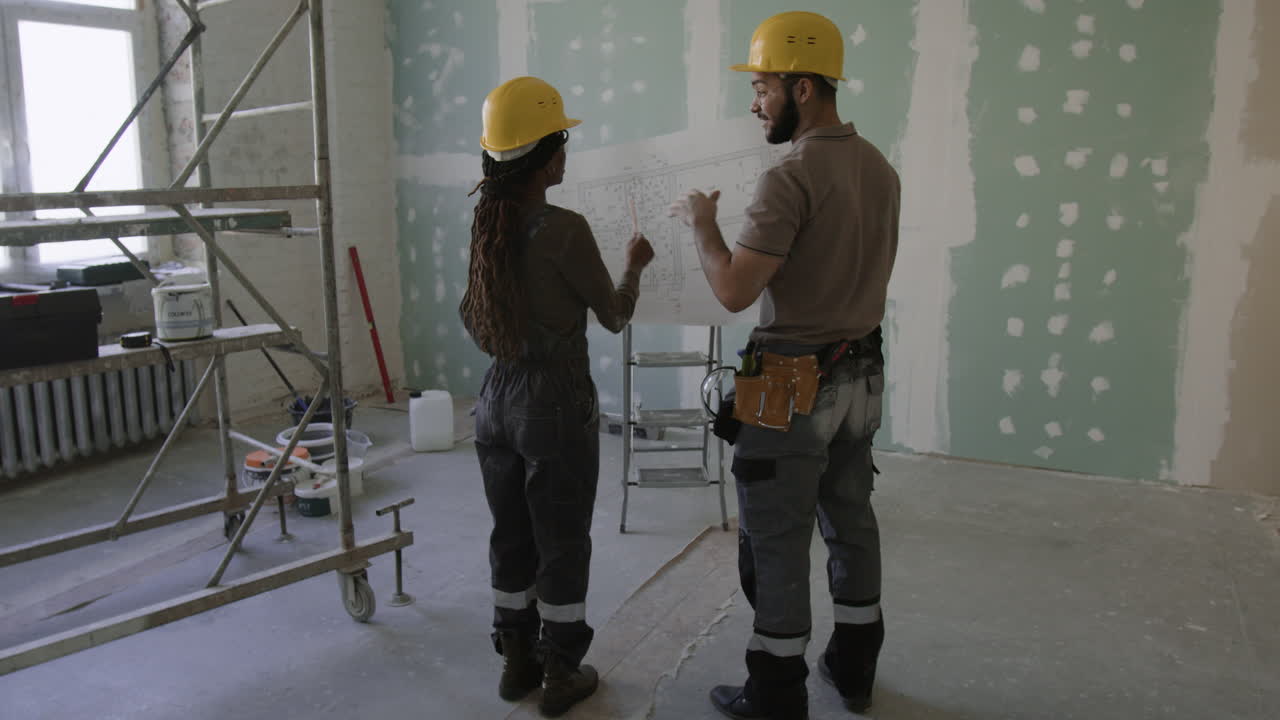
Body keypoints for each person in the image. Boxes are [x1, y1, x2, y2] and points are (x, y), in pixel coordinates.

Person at [668, 11, 900, 720]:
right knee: (851, 518)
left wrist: (705, 227)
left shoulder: (790, 177)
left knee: (774, 535)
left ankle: (774, 690)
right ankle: (854, 665)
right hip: (862, 371)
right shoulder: (878, 168)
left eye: (763, 86)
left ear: (802, 88)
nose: (755, 102)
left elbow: (736, 289)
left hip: (787, 377)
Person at [462, 75, 655, 718]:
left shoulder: (487, 220)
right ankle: (562, 672)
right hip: (554, 398)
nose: (567, 152)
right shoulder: (565, 228)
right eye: (562, 140)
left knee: (511, 536)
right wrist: (635, 265)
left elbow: (472, 317)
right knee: (562, 538)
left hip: (494, 398)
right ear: (544, 155)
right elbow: (615, 315)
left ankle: (517, 662)